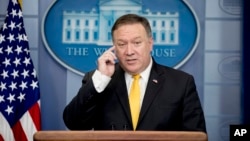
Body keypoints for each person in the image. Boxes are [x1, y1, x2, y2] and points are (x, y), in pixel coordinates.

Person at [63, 13, 206, 132]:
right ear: (114, 48)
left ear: (150, 44)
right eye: (122, 44)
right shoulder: (98, 79)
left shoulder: (181, 83)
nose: (129, 52)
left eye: (137, 43)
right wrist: (100, 79)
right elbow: (74, 123)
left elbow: (196, 135)